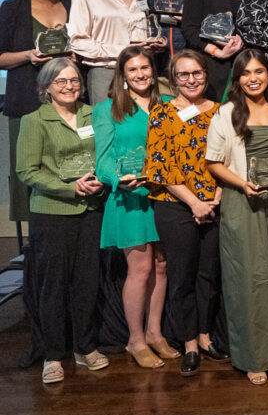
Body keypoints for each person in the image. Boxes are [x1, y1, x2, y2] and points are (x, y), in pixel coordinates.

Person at [206, 50, 268, 385]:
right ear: (237, 78)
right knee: (249, 280)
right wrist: (242, 184)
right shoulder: (227, 113)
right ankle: (254, 356)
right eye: (246, 73)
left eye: (259, 71)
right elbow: (214, 162)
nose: (253, 78)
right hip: (242, 201)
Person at [15, 58, 107, 384]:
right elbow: (28, 171)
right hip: (52, 213)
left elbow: (105, 154)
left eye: (74, 80)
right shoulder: (34, 121)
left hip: (92, 209)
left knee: (86, 282)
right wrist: (69, 188)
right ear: (46, 87)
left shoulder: (94, 115)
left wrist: (101, 178)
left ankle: (84, 347)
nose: (69, 86)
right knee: (52, 287)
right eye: (60, 81)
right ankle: (52, 354)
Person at [146, 50, 227, 376]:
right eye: (183, 75)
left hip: (216, 204)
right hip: (175, 206)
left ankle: (206, 336)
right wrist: (194, 203)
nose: (191, 80)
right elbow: (158, 167)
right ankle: (189, 343)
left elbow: (231, 158)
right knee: (182, 277)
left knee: (209, 275)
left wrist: (215, 198)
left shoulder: (223, 112)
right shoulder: (161, 113)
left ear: (206, 75)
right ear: (173, 78)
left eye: (196, 73)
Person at [93, 46, 171, 370]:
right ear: (122, 76)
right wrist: (118, 179)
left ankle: (154, 333)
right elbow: (103, 162)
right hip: (129, 198)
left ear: (153, 72)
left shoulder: (167, 105)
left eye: (145, 68)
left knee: (162, 266)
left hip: (163, 197)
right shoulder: (107, 109)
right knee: (139, 270)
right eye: (133, 70)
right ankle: (135, 340)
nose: (140, 74)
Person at [0, 0, 69, 224]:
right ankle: (33, 243)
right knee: (30, 170)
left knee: (64, 165)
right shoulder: (13, 8)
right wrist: (28, 56)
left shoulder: (72, 5)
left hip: (66, 104)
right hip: (26, 101)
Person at [68, 0, 165, 104]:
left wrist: (153, 44)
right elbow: (77, 41)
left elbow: (142, 30)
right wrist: (123, 50)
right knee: (109, 124)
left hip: (139, 72)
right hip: (106, 72)